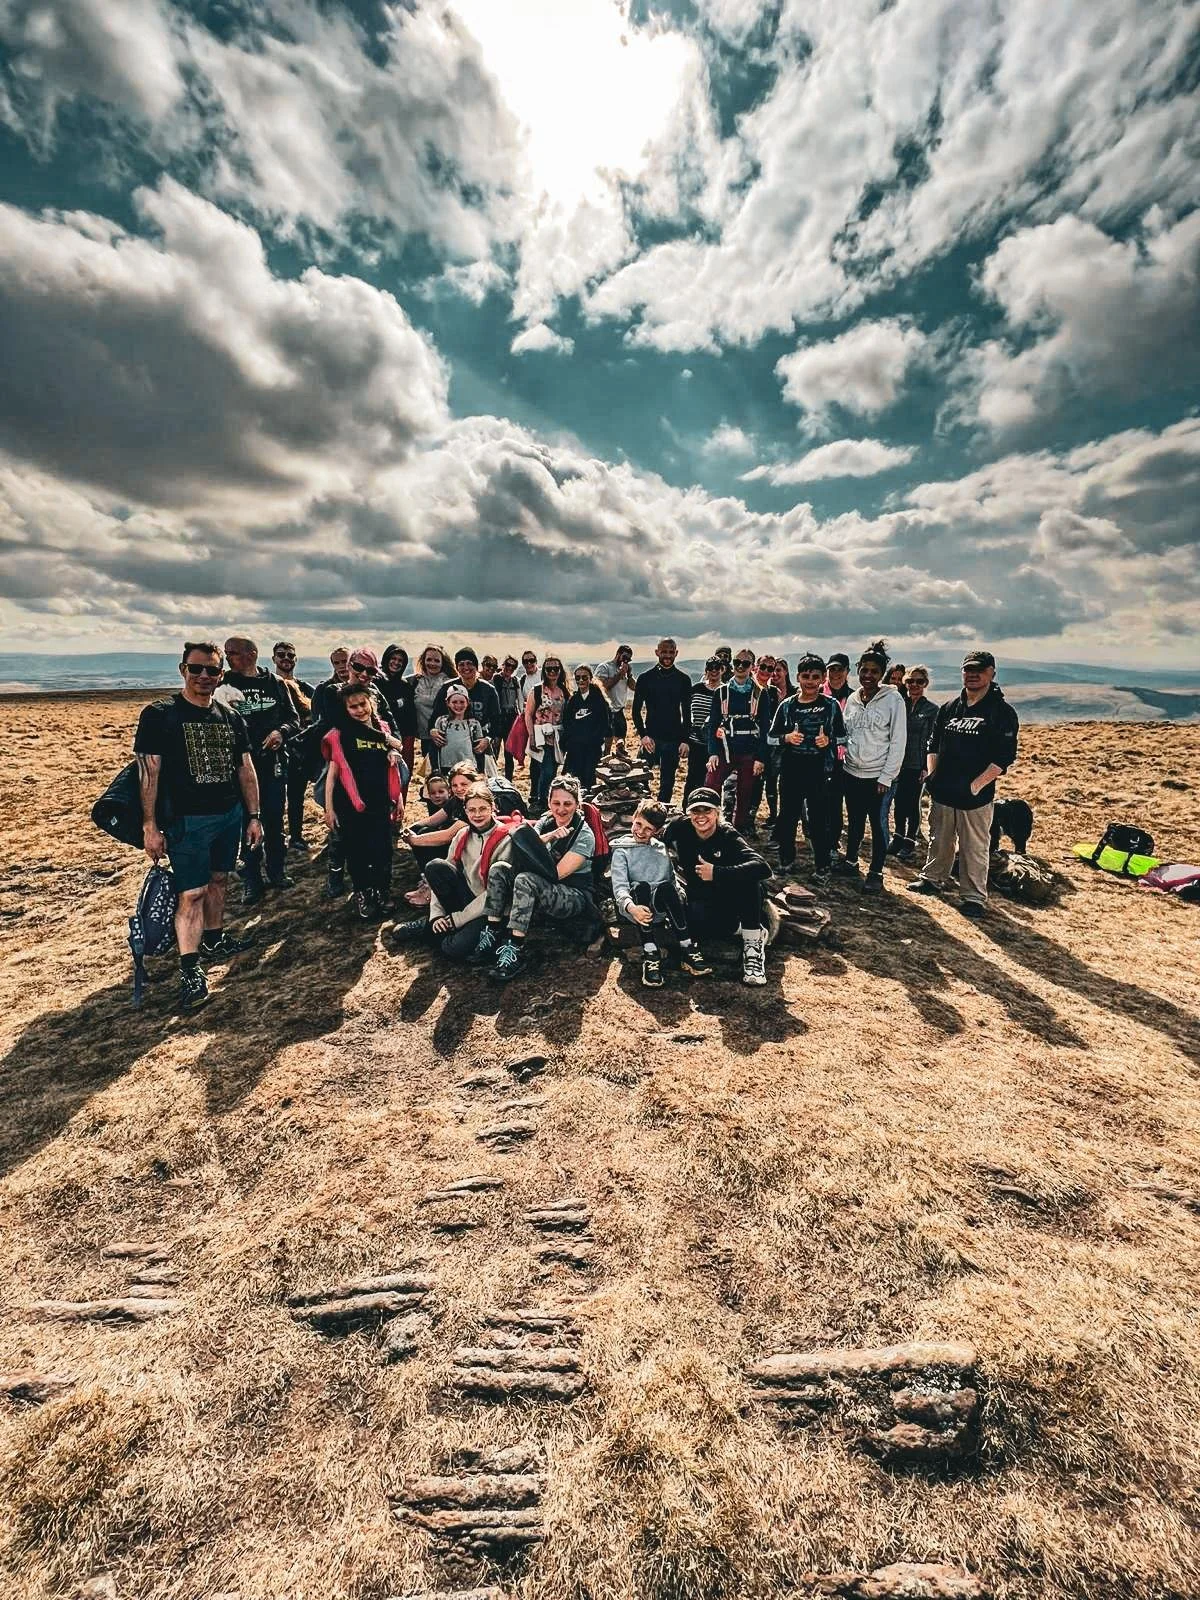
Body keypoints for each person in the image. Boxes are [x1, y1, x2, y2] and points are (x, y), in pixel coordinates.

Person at [134, 641, 259, 1014]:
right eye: (196, 669)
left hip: (228, 814)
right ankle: (190, 968)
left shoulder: (230, 716)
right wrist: (149, 826)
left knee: (220, 879)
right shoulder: (160, 715)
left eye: (212, 671)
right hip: (187, 821)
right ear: (182, 669)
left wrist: (253, 816)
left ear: (221, 675)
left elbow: (245, 769)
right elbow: (149, 772)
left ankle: (214, 939)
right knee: (192, 893)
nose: (204, 676)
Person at [909, 650, 1019, 918]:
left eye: (979, 670)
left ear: (992, 672)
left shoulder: (1001, 712)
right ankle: (932, 878)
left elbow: (1004, 757)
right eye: (968, 670)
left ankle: (973, 897)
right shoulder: (950, 708)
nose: (972, 675)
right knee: (940, 839)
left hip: (975, 797)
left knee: (974, 847)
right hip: (943, 790)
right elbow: (933, 744)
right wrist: (933, 775)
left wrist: (976, 786)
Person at [471, 775, 597, 982]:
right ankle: (492, 931)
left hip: (573, 895)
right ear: (549, 802)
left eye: (568, 803)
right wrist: (550, 836)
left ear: (577, 804)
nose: (561, 809)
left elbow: (556, 874)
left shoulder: (583, 834)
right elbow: (524, 843)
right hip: (542, 884)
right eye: (556, 803)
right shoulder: (546, 822)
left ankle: (515, 949)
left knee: (525, 879)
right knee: (499, 869)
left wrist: (534, 846)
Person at [391, 782, 518, 956]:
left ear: (493, 807)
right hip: (465, 896)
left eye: (483, 809)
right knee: (436, 866)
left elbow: (494, 893)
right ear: (465, 811)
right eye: (472, 810)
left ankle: (430, 928)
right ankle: (433, 922)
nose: (477, 814)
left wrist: (456, 920)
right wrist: (437, 914)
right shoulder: (463, 834)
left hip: (491, 908)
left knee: (453, 948)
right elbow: (443, 875)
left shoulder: (505, 840)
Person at [663, 787, 771, 985]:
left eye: (708, 811)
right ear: (688, 813)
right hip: (700, 896)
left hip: (731, 893)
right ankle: (739, 927)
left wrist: (716, 873)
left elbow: (763, 867)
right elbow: (660, 843)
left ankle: (753, 945)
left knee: (751, 882)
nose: (701, 816)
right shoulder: (680, 827)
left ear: (718, 813)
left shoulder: (728, 835)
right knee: (698, 922)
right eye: (696, 811)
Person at [223, 636, 300, 904]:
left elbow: (294, 719)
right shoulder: (224, 685)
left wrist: (281, 732)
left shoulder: (275, 684)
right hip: (240, 767)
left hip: (273, 765)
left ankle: (277, 871)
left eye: (232, 652)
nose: (227, 657)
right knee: (247, 822)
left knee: (275, 820)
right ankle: (252, 879)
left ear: (251, 654)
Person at [322, 680, 404, 920]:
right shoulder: (342, 734)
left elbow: (393, 771)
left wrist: (397, 799)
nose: (359, 710)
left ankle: (382, 891)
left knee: (382, 849)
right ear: (345, 709)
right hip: (349, 803)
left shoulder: (384, 730)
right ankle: (363, 892)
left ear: (372, 703)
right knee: (357, 850)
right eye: (353, 707)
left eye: (362, 704)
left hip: (379, 801)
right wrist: (329, 808)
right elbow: (332, 774)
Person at [834, 640, 906, 894]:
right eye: (864, 670)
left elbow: (898, 741)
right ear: (858, 669)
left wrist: (887, 776)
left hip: (879, 776)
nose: (868, 676)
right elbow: (846, 733)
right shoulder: (853, 699)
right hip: (852, 771)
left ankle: (876, 872)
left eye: (874, 671)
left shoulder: (893, 700)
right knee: (854, 820)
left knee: (878, 824)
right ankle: (851, 861)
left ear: (882, 673)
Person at [770, 653, 844, 884]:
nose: (810, 681)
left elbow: (843, 738)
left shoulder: (831, 706)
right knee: (787, 817)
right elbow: (771, 738)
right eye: (805, 676)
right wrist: (787, 738)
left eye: (815, 677)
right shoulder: (787, 705)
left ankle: (822, 867)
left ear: (823, 679)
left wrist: (828, 741)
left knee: (819, 820)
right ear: (798, 677)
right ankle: (786, 861)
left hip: (820, 769)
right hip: (791, 768)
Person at [611, 799, 694, 988]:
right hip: (634, 908)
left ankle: (687, 946)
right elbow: (620, 887)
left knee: (667, 887)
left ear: (656, 831)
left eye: (648, 829)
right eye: (638, 824)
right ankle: (650, 952)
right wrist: (631, 907)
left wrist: (678, 898)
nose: (641, 831)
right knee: (641, 887)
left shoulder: (660, 848)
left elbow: (671, 880)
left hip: (658, 907)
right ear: (633, 818)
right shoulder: (621, 851)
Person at [705, 648, 769, 833]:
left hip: (749, 750)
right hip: (725, 749)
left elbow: (765, 728)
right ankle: (711, 825)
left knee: (745, 793)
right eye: (737, 663)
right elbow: (713, 724)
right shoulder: (721, 692)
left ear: (753, 667)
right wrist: (713, 753)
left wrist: (760, 758)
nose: (740, 667)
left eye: (745, 663)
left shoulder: (760, 694)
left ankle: (737, 831)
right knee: (711, 784)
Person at [398, 761, 476, 906]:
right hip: (460, 847)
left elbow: (447, 836)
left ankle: (433, 888)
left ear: (474, 782)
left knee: (425, 839)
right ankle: (428, 880)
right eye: (455, 785)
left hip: (472, 854)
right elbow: (433, 820)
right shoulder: (457, 800)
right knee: (423, 831)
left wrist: (415, 840)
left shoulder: (474, 803)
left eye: (464, 784)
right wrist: (410, 829)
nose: (459, 789)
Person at [632, 638, 692, 804]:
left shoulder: (683, 680)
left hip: (673, 739)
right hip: (650, 737)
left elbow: (687, 713)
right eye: (664, 652)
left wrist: (685, 740)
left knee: (667, 783)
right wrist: (643, 736)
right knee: (640, 778)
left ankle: (660, 814)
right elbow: (635, 711)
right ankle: (642, 810)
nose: (667, 655)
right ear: (657, 652)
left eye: (671, 652)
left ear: (676, 653)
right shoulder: (645, 678)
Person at [271, 641, 315, 853]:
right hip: (273, 751)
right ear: (274, 659)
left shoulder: (305, 688)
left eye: (290, 655)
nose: (286, 658)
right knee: (272, 800)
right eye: (281, 655)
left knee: (296, 797)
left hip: (300, 752)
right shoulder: (268, 687)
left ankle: (296, 836)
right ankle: (273, 839)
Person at [891, 665, 937, 862]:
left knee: (912, 802)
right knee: (898, 802)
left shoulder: (932, 710)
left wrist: (927, 767)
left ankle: (910, 841)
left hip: (917, 764)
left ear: (925, 684)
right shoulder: (899, 704)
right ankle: (898, 837)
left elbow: (934, 740)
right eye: (910, 681)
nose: (914, 685)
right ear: (905, 683)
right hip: (897, 762)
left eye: (919, 681)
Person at [430, 648, 501, 765]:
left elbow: (497, 720)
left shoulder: (488, 690)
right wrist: (432, 730)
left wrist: (488, 739)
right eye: (461, 664)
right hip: (450, 744)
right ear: (457, 668)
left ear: (476, 666)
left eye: (469, 663)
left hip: (478, 744)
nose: (466, 667)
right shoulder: (447, 688)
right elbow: (435, 716)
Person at [523, 655, 567, 809]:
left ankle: (540, 798)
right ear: (544, 671)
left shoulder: (564, 691)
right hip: (540, 734)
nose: (552, 672)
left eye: (556, 668)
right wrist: (532, 736)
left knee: (551, 769)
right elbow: (528, 714)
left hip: (556, 737)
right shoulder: (536, 690)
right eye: (549, 669)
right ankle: (539, 800)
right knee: (539, 768)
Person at [562, 664, 609, 788]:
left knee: (589, 780)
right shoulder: (573, 700)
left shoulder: (598, 699)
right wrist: (569, 742)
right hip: (575, 749)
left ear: (590, 678)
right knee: (572, 780)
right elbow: (567, 723)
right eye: (578, 678)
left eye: (584, 677)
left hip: (592, 749)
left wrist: (596, 740)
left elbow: (604, 723)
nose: (581, 680)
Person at [685, 657, 723, 800]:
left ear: (722, 670)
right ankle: (687, 809)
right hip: (695, 742)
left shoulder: (725, 691)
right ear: (706, 670)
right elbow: (687, 714)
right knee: (692, 779)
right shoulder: (696, 689)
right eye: (710, 668)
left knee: (712, 781)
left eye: (717, 668)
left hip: (715, 745)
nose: (714, 671)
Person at [411, 644, 455, 763]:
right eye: (429, 659)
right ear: (423, 661)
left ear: (443, 663)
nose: (432, 663)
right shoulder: (416, 681)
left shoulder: (449, 683)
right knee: (431, 773)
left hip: (445, 736)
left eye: (437, 660)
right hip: (425, 736)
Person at [380, 645, 417, 779]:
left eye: (400, 660)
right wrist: (397, 703)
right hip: (382, 735)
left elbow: (410, 712)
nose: (396, 663)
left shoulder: (405, 685)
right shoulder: (376, 681)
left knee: (403, 775)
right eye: (393, 658)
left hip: (404, 735)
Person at [431, 685, 486, 773]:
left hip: (468, 766)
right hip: (446, 765)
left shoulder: (473, 723)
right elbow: (435, 747)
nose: (458, 705)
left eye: (462, 702)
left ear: (467, 703)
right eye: (454, 702)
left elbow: (479, 750)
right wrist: (435, 768)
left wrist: (482, 771)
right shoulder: (442, 722)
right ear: (448, 703)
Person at [595, 644, 635, 753]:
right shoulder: (605, 667)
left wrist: (629, 674)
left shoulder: (625, 669)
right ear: (618, 654)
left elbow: (634, 687)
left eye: (628, 659)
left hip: (619, 711)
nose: (626, 661)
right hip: (605, 711)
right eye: (624, 657)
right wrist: (620, 674)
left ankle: (620, 763)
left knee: (621, 745)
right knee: (606, 745)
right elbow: (602, 686)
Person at [494, 656, 523, 780]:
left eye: (513, 666)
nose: (509, 668)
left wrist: (521, 715)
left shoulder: (516, 681)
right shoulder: (496, 679)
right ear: (503, 664)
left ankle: (508, 780)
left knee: (509, 751)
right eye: (507, 665)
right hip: (498, 717)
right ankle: (493, 778)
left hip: (511, 717)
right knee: (494, 749)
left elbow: (520, 699)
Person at [309, 645, 351, 727]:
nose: (341, 665)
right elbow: (316, 718)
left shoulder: (363, 684)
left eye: (344, 661)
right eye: (336, 663)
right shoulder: (323, 689)